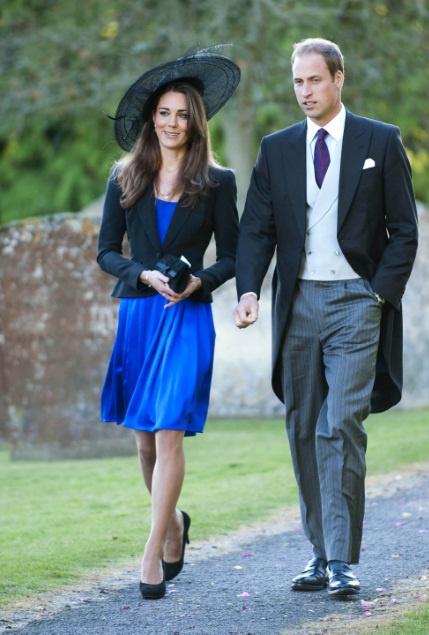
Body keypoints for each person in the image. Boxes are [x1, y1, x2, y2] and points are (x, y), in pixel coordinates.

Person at [234, 38, 418, 597]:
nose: (305, 92)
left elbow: (404, 230)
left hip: (356, 304)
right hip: (297, 304)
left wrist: (378, 296)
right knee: (302, 427)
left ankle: (342, 560)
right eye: (297, 82)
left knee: (339, 423)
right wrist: (248, 291)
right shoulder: (277, 148)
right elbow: (257, 229)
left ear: (339, 78)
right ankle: (320, 553)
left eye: (314, 80)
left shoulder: (380, 142)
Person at [97, 51, 240, 599]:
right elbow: (107, 252)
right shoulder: (125, 176)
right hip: (137, 314)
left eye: (182, 113)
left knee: (169, 430)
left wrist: (196, 282)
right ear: (150, 118)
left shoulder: (218, 181)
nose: (172, 122)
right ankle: (175, 524)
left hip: (186, 317)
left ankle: (151, 552)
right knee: (144, 446)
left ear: (196, 120)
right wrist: (142, 275)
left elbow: (231, 257)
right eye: (163, 112)